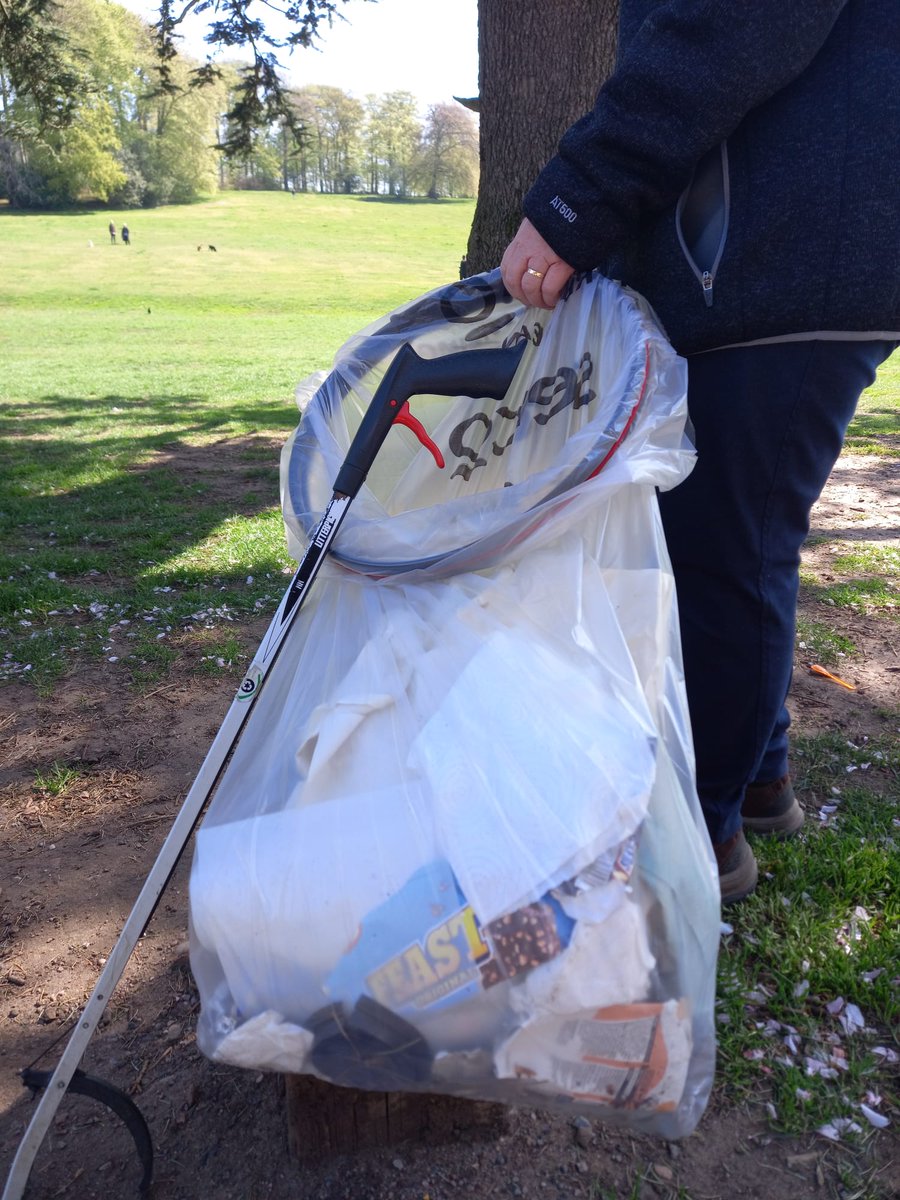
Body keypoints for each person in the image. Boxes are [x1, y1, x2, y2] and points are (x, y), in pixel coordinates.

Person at [500, 1, 900, 903]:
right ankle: (757, 781)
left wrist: (576, 199)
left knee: (724, 557)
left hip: (774, 256)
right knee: (733, 540)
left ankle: (696, 841)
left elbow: (728, 24)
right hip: (772, 252)